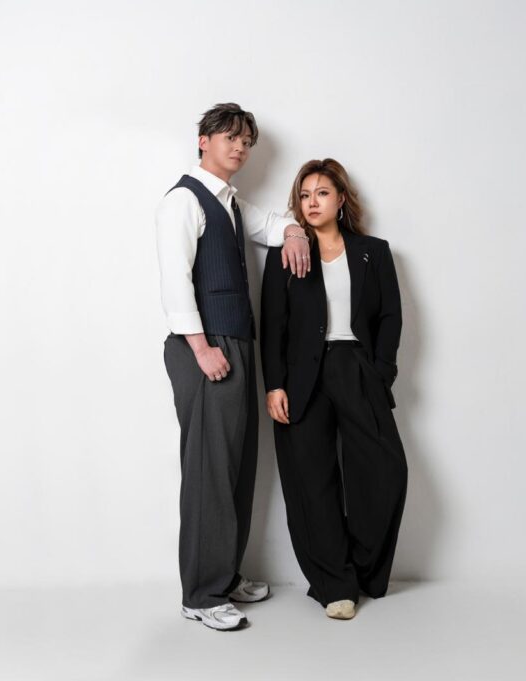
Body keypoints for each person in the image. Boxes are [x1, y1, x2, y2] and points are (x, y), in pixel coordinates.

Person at [156, 103, 311, 631]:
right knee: (210, 471)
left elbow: (276, 224)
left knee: (238, 466)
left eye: (247, 141)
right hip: (205, 347)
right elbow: (175, 282)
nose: (241, 148)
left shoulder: (232, 202)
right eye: (231, 138)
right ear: (204, 140)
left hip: (237, 344)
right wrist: (201, 349)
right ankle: (200, 594)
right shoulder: (183, 200)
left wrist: (295, 232)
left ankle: (223, 575)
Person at [260, 158, 407, 621]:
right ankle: (334, 585)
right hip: (302, 376)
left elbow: (390, 317)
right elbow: (273, 326)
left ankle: (361, 572)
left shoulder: (373, 252)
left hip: (356, 368)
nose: (312, 202)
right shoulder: (285, 254)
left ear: (341, 199)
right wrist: (274, 385)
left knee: (385, 472)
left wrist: (381, 372)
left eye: (322, 193)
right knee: (312, 481)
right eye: (305, 195)